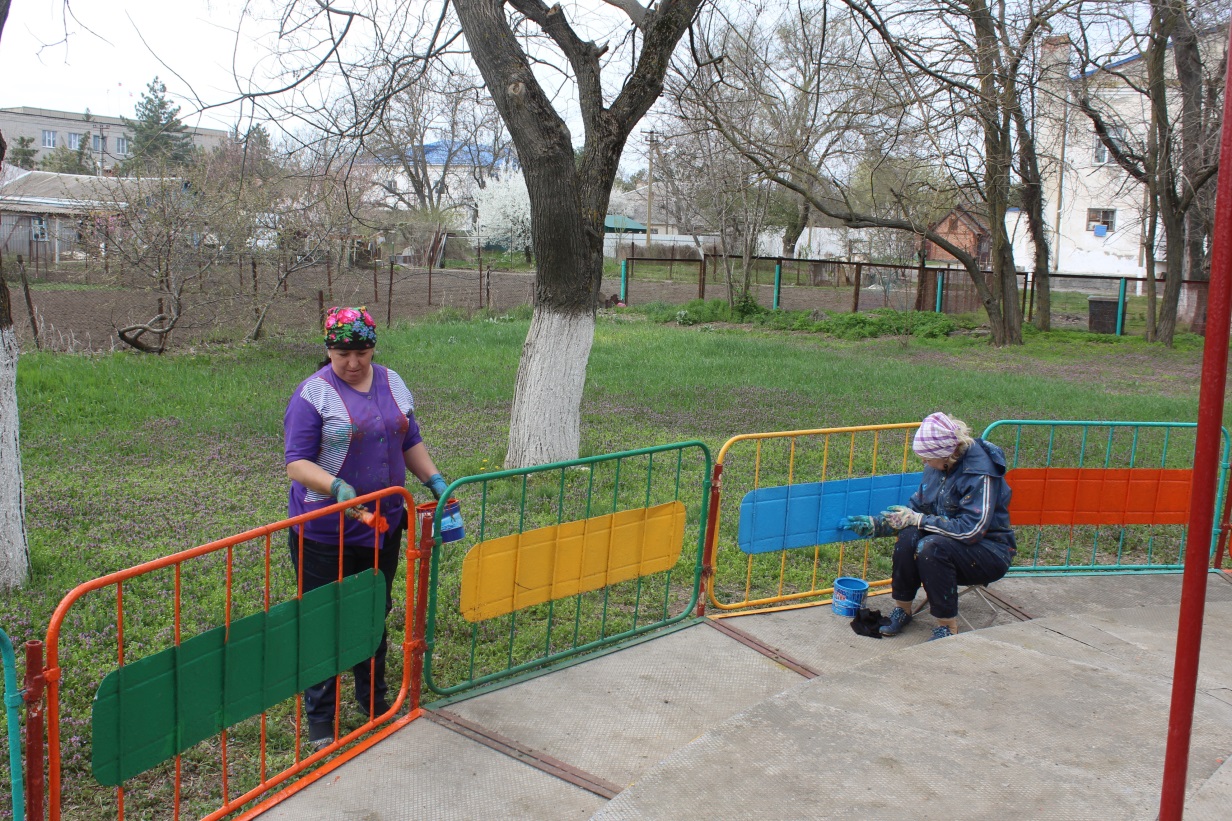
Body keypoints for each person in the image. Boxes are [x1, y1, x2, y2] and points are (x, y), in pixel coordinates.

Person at [284, 305, 449, 750]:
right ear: (328, 350)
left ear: (374, 347)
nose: (353, 362)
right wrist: (336, 486)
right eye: (343, 354)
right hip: (324, 532)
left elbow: (409, 439)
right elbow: (296, 463)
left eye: (362, 352)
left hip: (382, 526)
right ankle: (321, 720)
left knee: (373, 612)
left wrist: (434, 480)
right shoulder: (313, 394)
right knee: (324, 622)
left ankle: (373, 701)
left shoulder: (393, 382)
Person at [838, 412, 1016, 641]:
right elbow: (916, 509)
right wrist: (878, 524)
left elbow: (972, 530)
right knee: (909, 536)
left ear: (947, 454)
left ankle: (947, 625)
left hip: (990, 551)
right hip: (949, 542)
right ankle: (902, 609)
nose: (924, 463)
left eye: (927, 459)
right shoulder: (938, 466)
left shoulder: (980, 473)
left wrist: (919, 520)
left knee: (931, 547)